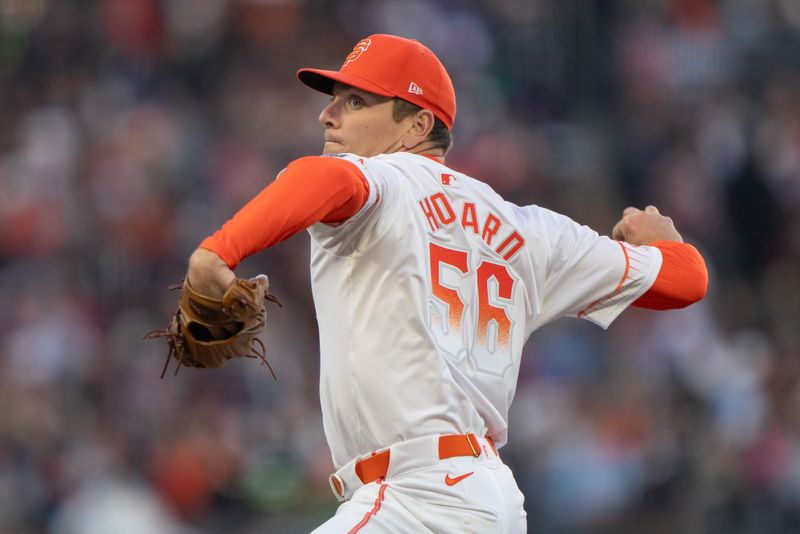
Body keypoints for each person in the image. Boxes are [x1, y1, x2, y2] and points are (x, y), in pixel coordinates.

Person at [185, 34, 708, 533]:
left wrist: (217, 252)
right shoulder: (534, 231)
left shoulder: (385, 178)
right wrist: (667, 243)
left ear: (415, 126)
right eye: (335, 98)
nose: (328, 113)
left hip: (418, 498)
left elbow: (320, 178)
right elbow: (688, 280)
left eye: (357, 100)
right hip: (488, 499)